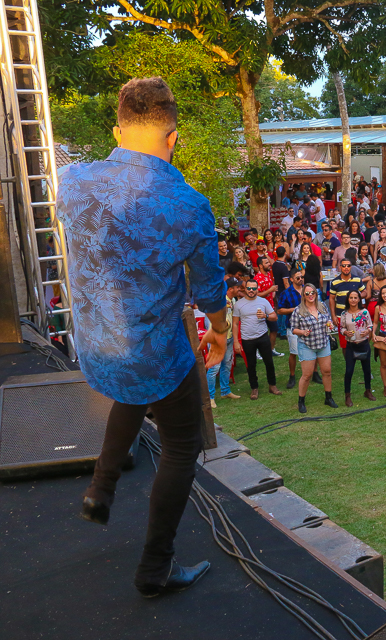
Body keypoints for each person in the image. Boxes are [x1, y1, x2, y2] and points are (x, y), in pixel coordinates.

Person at [61, 77, 226, 596]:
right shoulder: (188, 204)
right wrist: (219, 334)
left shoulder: (70, 180)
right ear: (173, 137)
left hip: (93, 349)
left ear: (117, 127)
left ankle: (100, 490)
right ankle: (156, 567)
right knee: (183, 443)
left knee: (134, 388)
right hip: (149, 354)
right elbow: (210, 292)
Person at [289, 283, 337, 412]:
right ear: (303, 295)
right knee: (307, 375)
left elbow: (328, 320)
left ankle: (328, 397)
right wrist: (302, 332)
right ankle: (301, 401)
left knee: (327, 371)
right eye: (307, 293)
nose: (311, 295)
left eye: (313, 293)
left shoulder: (322, 306)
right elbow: (293, 329)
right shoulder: (298, 310)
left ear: (316, 294)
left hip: (323, 343)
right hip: (307, 345)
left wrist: (330, 324)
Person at [234, 278, 283, 399]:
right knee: (251, 365)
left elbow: (274, 317)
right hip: (247, 339)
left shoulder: (263, 302)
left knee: (269, 362)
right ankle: (254, 388)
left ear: (257, 290)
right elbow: (235, 324)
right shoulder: (238, 304)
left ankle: (272, 385)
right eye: (249, 288)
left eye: (254, 288)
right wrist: (236, 341)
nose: (251, 291)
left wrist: (265, 316)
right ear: (245, 289)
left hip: (262, 336)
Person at [206, 277, 242, 408]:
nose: (240, 289)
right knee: (214, 368)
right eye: (237, 287)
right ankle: (209, 397)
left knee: (227, 365)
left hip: (229, 337)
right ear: (231, 289)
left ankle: (225, 391)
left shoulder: (232, 299)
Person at [338, 290, 375, 407]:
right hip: (351, 345)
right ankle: (347, 396)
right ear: (348, 299)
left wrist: (368, 331)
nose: (353, 300)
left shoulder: (364, 312)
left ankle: (368, 391)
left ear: (359, 299)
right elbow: (341, 328)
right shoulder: (344, 314)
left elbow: (370, 325)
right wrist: (345, 332)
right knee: (349, 371)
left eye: (355, 297)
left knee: (367, 370)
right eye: (351, 298)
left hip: (363, 344)